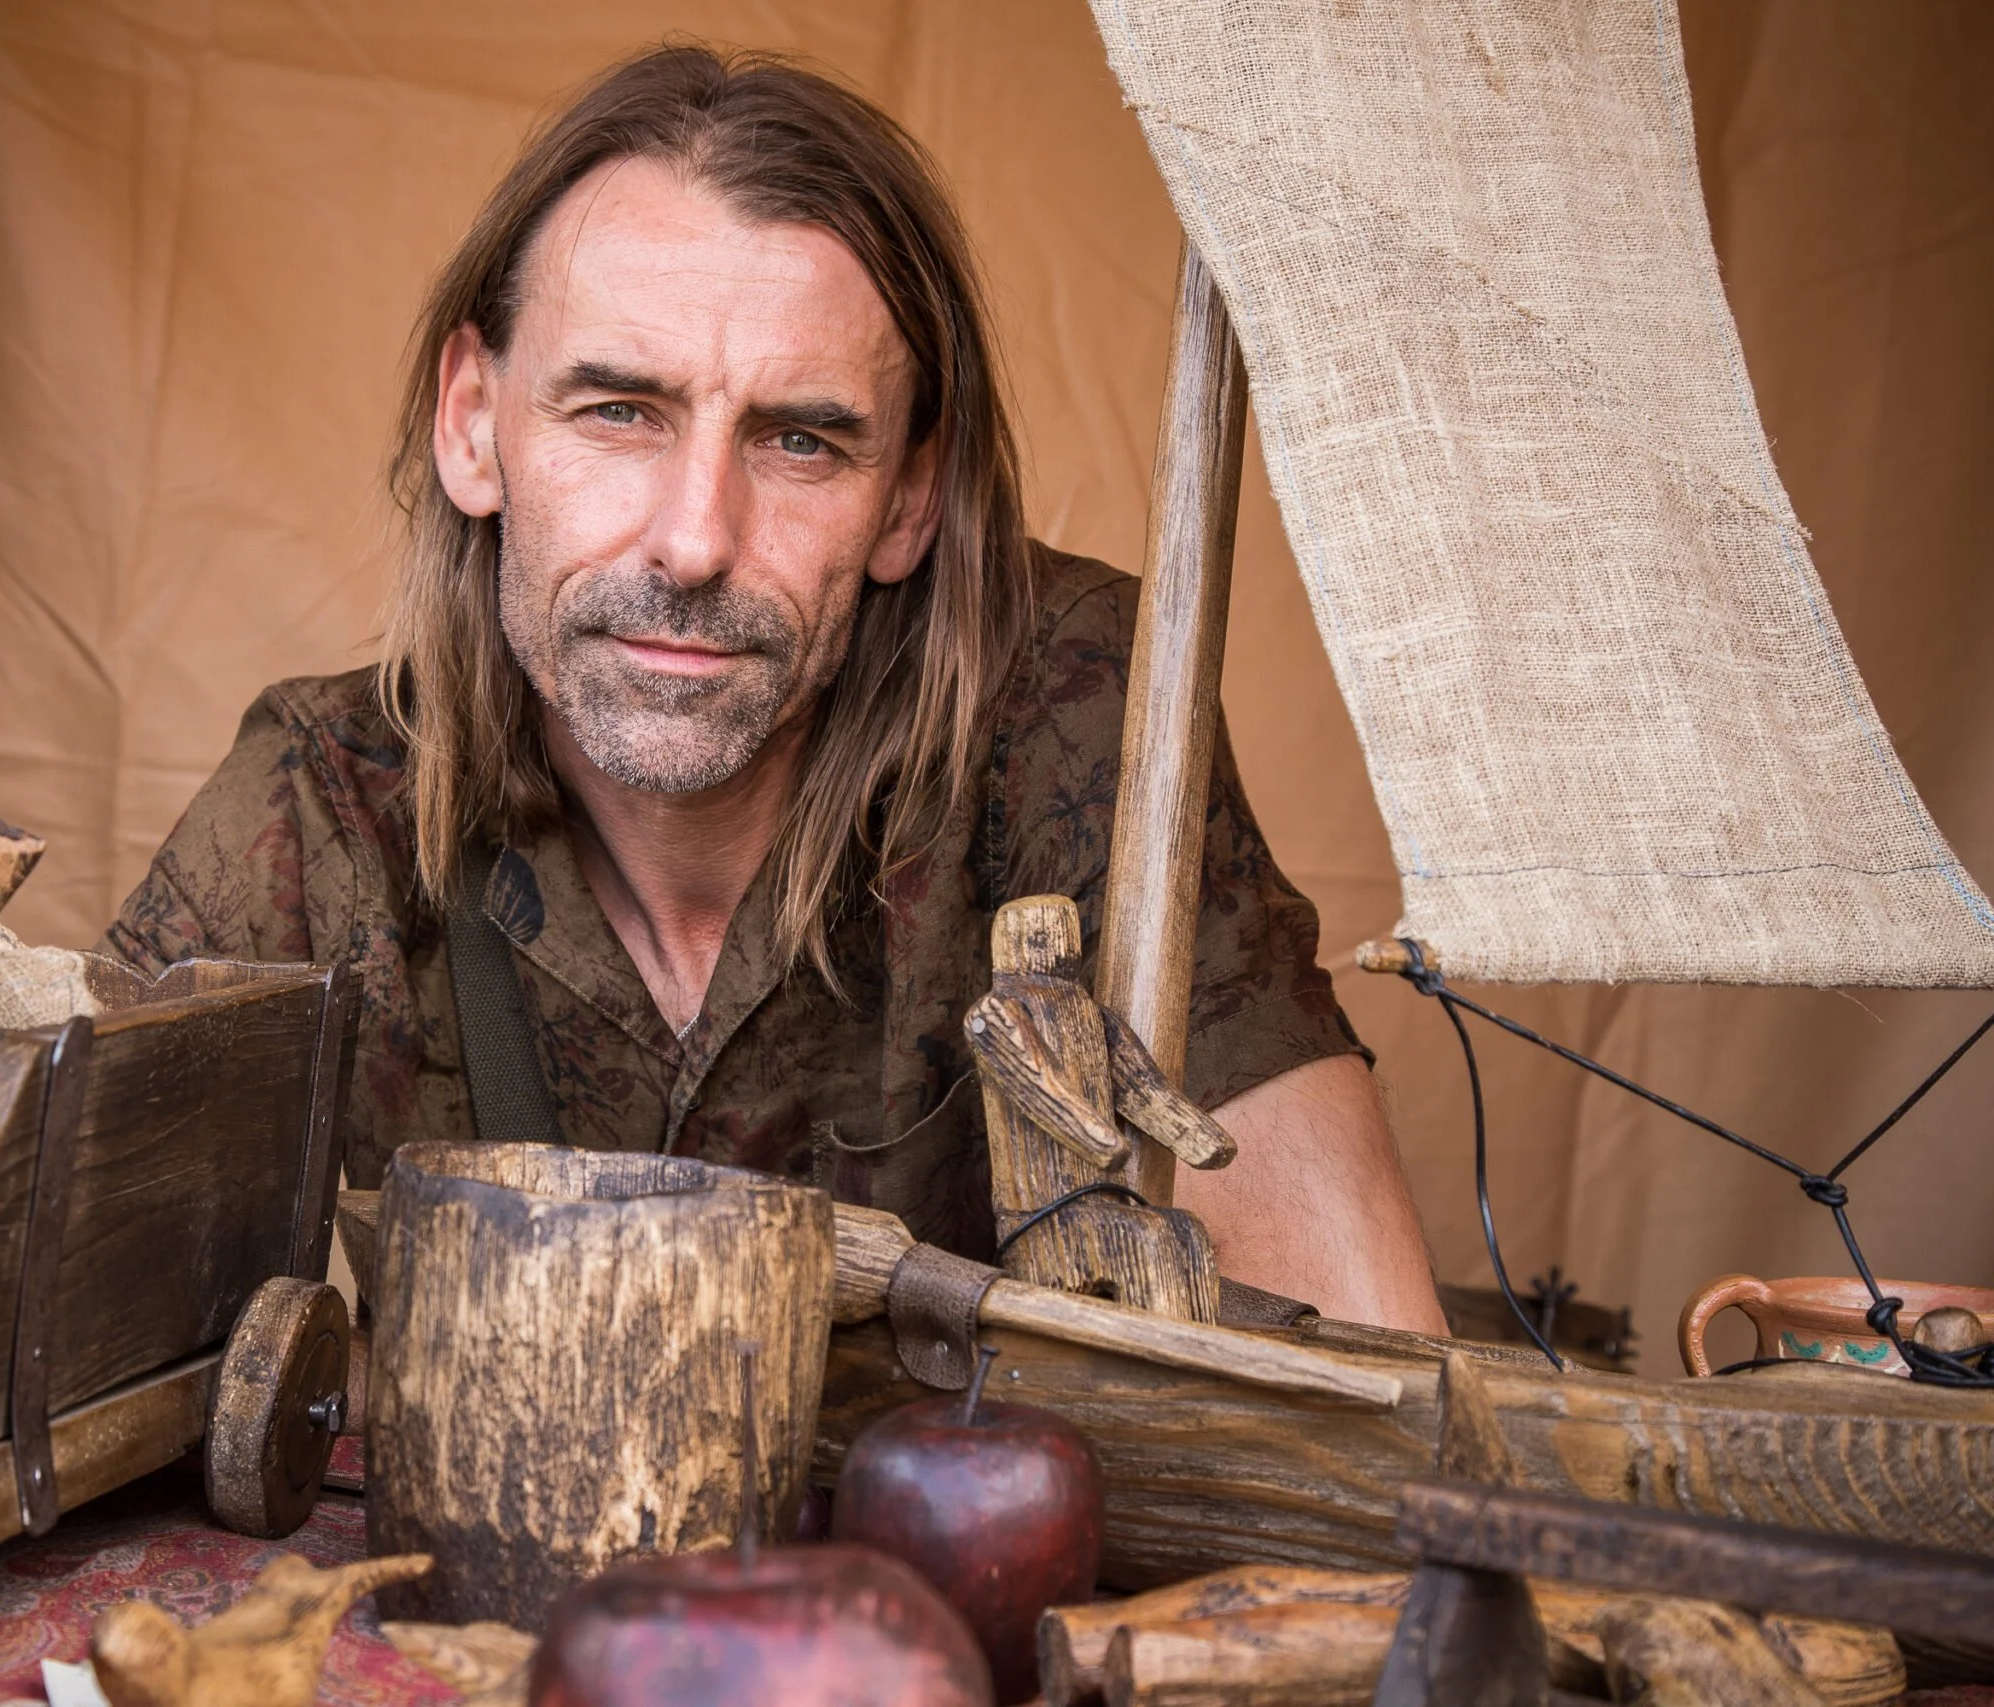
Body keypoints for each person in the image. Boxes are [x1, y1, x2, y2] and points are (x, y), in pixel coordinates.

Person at [103, 45, 1446, 1333]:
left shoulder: (1078, 711)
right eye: (618, 412)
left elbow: (1355, 1362)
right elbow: (41, 1324)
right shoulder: (324, 803)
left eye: (800, 440)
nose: (696, 540)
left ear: (909, 496)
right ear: (473, 422)